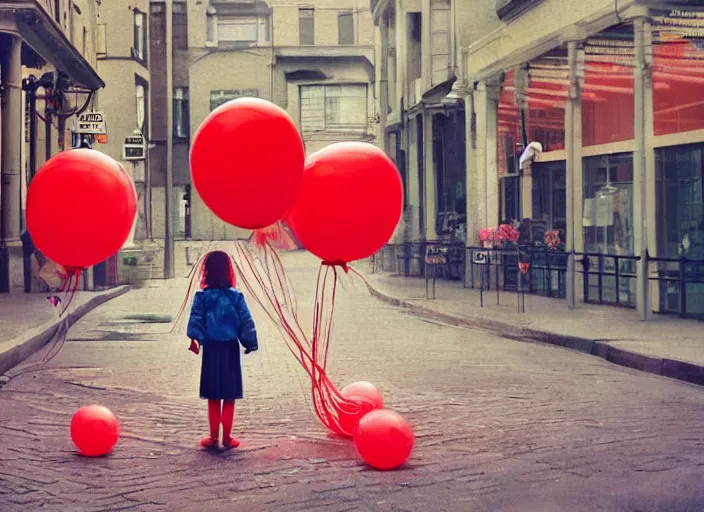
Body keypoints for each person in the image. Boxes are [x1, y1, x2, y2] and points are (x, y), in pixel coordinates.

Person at [187, 251, 258, 449]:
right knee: (229, 395)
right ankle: (227, 437)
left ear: (207, 271)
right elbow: (246, 320)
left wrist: (196, 339)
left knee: (213, 395)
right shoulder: (236, 296)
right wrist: (250, 342)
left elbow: (196, 319)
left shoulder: (202, 297)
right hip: (230, 349)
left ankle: (213, 437)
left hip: (211, 349)